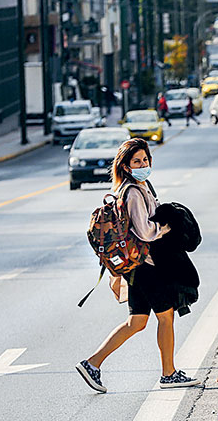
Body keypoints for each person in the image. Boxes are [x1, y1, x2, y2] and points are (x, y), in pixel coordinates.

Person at [76, 138, 201, 393]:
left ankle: (92, 364)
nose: (142, 164)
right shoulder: (132, 192)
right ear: (125, 166)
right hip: (146, 266)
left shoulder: (135, 187)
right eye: (137, 161)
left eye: (145, 160)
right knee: (165, 318)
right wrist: (166, 227)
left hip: (136, 267)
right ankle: (169, 374)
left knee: (137, 322)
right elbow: (144, 231)